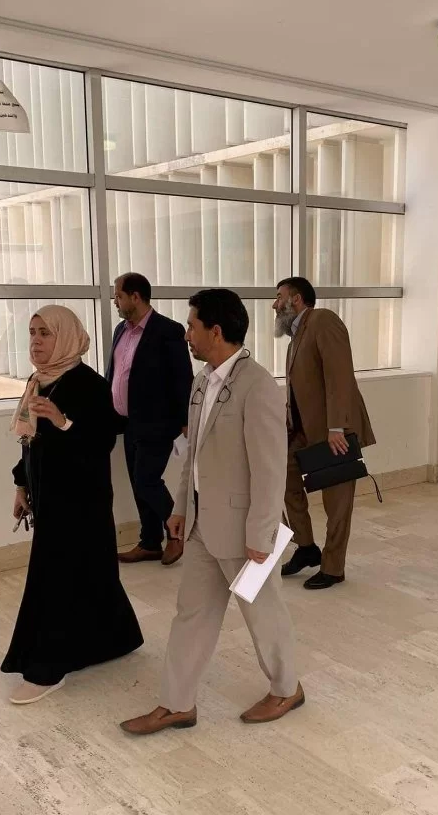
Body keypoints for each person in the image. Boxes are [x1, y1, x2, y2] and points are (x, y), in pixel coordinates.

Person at [120, 288, 303, 736]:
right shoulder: (202, 381)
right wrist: (181, 506)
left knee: (263, 615)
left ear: (215, 331)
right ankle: (176, 703)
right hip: (203, 525)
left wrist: (261, 534)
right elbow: (194, 455)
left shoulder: (258, 385)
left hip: (245, 530)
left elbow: (270, 470)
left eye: (192, 325)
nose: (186, 334)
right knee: (191, 615)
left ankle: (286, 688)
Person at [2, 306, 143, 703]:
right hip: (49, 495)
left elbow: (101, 442)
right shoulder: (39, 381)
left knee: (57, 578)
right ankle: (116, 638)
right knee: (92, 573)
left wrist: (63, 422)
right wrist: (22, 485)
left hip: (81, 501)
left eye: (45, 333)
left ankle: (49, 665)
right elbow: (30, 442)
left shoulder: (88, 385)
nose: (36, 341)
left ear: (65, 336)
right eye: (32, 332)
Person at [274, 277, 375, 590]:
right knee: (284, 481)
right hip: (302, 431)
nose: (275, 305)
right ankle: (306, 547)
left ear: (297, 299)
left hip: (333, 431)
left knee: (337, 503)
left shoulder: (323, 321)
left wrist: (337, 427)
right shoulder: (295, 338)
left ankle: (333, 567)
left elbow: (339, 374)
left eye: (279, 297)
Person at [107, 272, 193, 567]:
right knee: (137, 483)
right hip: (127, 422)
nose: (115, 301)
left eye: (118, 295)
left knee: (146, 481)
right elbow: (116, 374)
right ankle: (150, 542)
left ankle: (176, 533)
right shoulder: (120, 330)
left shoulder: (168, 330)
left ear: (135, 296)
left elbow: (182, 378)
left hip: (157, 423)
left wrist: (185, 420)